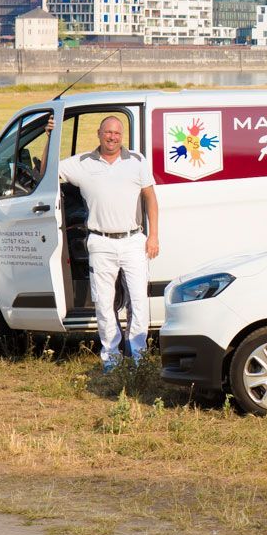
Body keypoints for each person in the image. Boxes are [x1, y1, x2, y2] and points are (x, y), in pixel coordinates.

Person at [56, 115, 160, 372]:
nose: (112, 137)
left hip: (133, 239)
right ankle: (111, 360)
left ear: (121, 136)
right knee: (104, 303)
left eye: (116, 133)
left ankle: (138, 358)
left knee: (138, 301)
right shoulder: (82, 163)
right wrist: (50, 136)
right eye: (107, 132)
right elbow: (50, 172)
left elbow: (151, 198)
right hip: (100, 241)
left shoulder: (136, 161)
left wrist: (153, 235)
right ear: (99, 133)